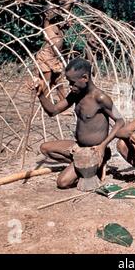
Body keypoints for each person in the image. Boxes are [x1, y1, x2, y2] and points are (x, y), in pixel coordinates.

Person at [29, 57, 124, 191]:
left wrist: (103, 146)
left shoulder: (101, 98)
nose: (70, 86)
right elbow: (53, 111)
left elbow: (120, 121)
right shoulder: (76, 94)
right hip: (78, 147)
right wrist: (41, 95)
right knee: (45, 148)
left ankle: (94, 163)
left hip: (94, 150)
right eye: (68, 82)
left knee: (62, 182)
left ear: (85, 78)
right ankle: (81, 165)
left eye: (72, 82)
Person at [35, 0, 81, 101]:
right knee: (47, 80)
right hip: (46, 56)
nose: (55, 11)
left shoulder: (56, 25)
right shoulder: (47, 24)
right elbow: (58, 12)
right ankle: (45, 102)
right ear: (46, 14)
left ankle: (62, 102)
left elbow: (63, 12)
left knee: (59, 81)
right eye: (52, 10)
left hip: (55, 57)